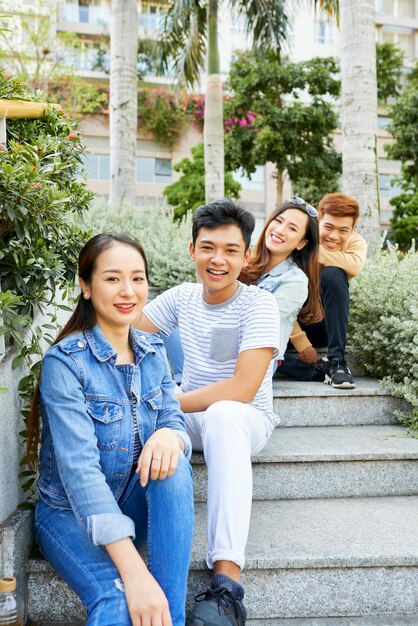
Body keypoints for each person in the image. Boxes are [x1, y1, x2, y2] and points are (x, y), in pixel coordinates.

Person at [27, 233, 194, 626]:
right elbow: (80, 473)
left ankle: (172, 615)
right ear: (86, 287)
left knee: (174, 466)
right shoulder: (65, 363)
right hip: (68, 513)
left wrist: (173, 435)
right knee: (119, 603)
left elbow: (173, 418)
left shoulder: (155, 352)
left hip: (129, 499)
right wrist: (135, 574)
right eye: (113, 278)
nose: (128, 290)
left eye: (137, 278)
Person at [137, 199, 280, 626]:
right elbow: (125, 332)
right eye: (208, 247)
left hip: (245, 419)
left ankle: (227, 588)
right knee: (157, 430)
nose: (218, 260)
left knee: (222, 414)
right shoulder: (181, 298)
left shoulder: (259, 305)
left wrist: (167, 401)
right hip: (192, 415)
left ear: (247, 255)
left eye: (231, 250)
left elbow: (242, 389)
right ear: (192, 250)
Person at [279, 192, 368, 388]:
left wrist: (312, 251)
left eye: (343, 230)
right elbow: (281, 302)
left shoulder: (355, 242)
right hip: (289, 323)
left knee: (335, 273)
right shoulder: (300, 237)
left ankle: (336, 361)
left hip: (324, 325)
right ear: (318, 221)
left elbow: (354, 266)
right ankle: (317, 370)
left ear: (352, 230)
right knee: (253, 348)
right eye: (328, 227)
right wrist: (301, 342)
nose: (334, 236)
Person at [239, 196, 323, 364]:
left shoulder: (296, 281)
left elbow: (258, 321)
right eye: (278, 221)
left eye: (292, 228)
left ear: (301, 243)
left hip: (258, 359)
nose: (280, 230)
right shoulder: (243, 260)